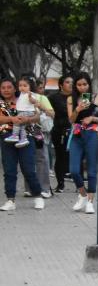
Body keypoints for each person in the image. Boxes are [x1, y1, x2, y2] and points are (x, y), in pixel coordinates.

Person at [0, 78, 44, 211]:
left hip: (26, 136)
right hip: (7, 137)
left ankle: (38, 196)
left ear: (15, 88)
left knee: (29, 169)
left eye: (9, 87)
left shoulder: (25, 98)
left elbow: (38, 116)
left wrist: (28, 119)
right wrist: (11, 119)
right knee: (9, 170)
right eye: (3, 88)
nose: (6, 90)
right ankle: (10, 200)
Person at [66, 72, 98, 214]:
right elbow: (71, 120)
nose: (82, 87)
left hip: (92, 133)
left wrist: (92, 117)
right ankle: (83, 194)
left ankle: (91, 201)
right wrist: (78, 109)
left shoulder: (96, 97)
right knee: (73, 170)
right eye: (79, 85)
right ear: (75, 86)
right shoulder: (71, 99)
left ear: (89, 85)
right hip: (77, 134)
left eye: (85, 84)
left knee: (91, 169)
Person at [49, 75, 73, 193]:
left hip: (76, 130)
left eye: (72, 82)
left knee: (76, 156)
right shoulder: (54, 97)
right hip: (60, 131)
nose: (70, 84)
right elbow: (52, 112)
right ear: (61, 85)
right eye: (67, 82)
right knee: (60, 156)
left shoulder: (78, 97)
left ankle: (79, 183)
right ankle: (60, 183)